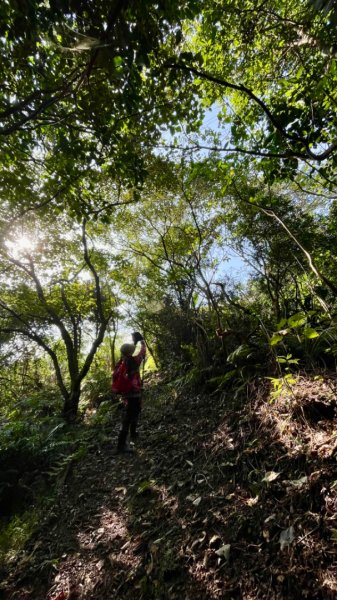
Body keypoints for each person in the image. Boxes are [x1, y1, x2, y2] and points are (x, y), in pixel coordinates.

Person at [115, 331, 146, 454]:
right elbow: (142, 353)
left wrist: (135, 342)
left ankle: (133, 434)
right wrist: (142, 341)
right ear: (129, 352)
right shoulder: (132, 361)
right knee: (129, 416)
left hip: (128, 393)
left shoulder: (123, 360)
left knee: (133, 412)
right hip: (133, 393)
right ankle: (121, 446)